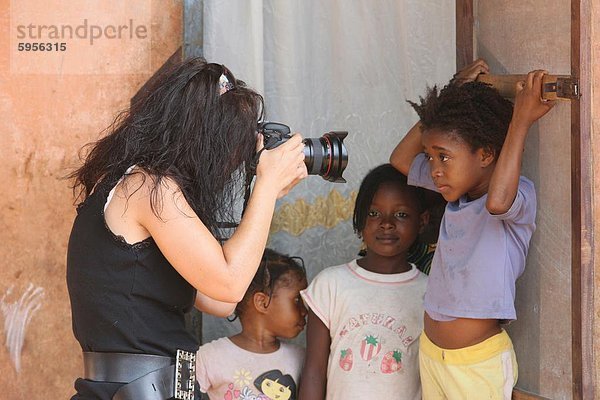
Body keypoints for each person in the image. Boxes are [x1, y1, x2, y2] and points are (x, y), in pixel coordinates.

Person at [65, 58, 307, 400]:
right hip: (142, 390)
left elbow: (219, 301)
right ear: (204, 139)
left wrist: (262, 194)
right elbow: (230, 285)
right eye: (230, 145)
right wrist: (266, 189)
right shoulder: (149, 189)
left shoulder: (129, 186)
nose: (232, 161)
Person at [389, 59, 555, 399]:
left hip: (478, 364)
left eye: (443, 157)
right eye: (430, 157)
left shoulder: (517, 195)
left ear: (485, 154)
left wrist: (520, 120)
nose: (433, 170)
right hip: (433, 355)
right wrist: (451, 94)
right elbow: (401, 160)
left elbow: (498, 201)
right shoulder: (456, 196)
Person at [298, 163, 430, 400]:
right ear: (358, 218)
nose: (386, 223)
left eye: (401, 214)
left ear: (422, 221)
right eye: (373, 213)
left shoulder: (430, 293)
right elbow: (314, 370)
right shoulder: (331, 284)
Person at [196, 248, 307, 400]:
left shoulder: (302, 359)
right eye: (297, 300)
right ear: (262, 302)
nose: (305, 311)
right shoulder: (210, 356)